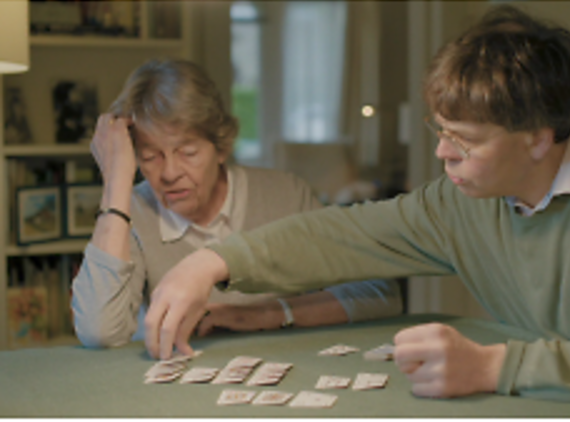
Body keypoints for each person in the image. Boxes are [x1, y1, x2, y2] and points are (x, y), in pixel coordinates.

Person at [142, 6, 570, 402]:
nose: (442, 154)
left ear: (539, 136)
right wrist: (213, 263)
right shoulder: (460, 203)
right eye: (440, 131)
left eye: (466, 140)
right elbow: (340, 235)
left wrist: (495, 368)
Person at [71, 59, 403, 348]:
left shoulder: (286, 195)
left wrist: (270, 314)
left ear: (221, 147)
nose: (169, 173)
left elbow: (380, 294)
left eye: (188, 153)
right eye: (150, 156)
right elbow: (100, 332)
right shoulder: (130, 213)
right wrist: (116, 185)